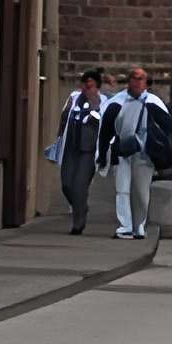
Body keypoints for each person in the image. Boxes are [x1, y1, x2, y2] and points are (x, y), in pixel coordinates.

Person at [99, 65, 172, 240]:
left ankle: (139, 225)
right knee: (122, 190)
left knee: (141, 190)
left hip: (144, 153)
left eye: (141, 78)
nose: (137, 82)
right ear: (129, 81)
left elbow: (168, 126)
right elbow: (106, 131)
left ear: (146, 83)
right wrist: (102, 155)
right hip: (122, 152)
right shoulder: (117, 103)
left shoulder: (153, 103)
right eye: (134, 78)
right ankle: (125, 226)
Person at [47, 69, 107, 236]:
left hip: (88, 151)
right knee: (67, 185)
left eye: (91, 86)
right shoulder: (73, 98)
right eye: (85, 85)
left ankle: (78, 224)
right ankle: (80, 207)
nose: (87, 89)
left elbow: (105, 125)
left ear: (97, 87)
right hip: (70, 148)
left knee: (80, 187)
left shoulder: (103, 102)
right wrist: (59, 138)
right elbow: (64, 117)